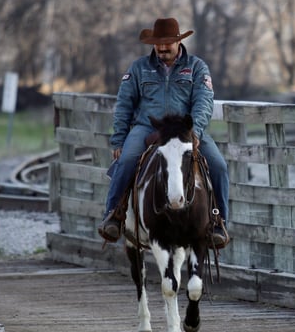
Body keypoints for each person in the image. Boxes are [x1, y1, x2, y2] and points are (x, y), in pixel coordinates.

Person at [98, 17, 230, 248]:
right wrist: (118, 139)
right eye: (158, 43)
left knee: (218, 165)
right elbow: (124, 104)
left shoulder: (197, 67)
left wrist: (196, 131)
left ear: (178, 42)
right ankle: (114, 215)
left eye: (167, 43)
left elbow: (204, 101)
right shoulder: (138, 68)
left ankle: (219, 221)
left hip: (186, 130)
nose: (162, 48)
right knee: (127, 159)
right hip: (147, 127)